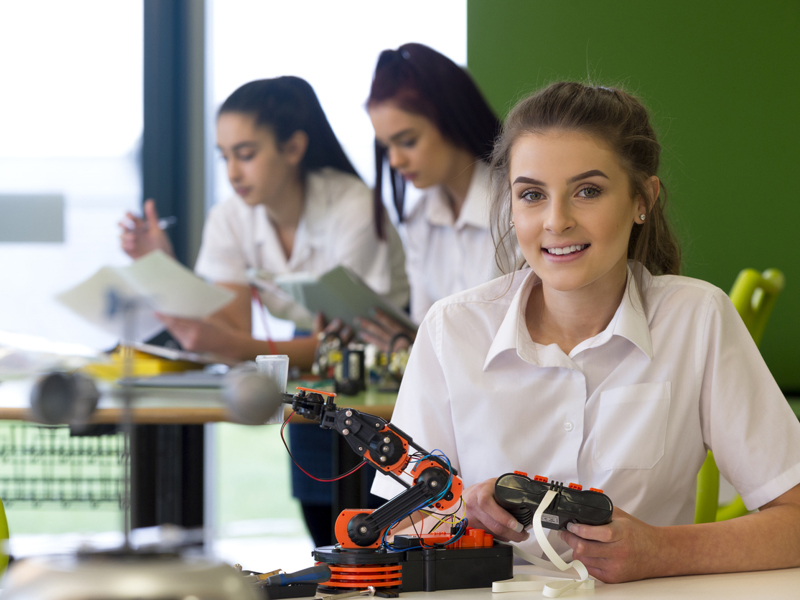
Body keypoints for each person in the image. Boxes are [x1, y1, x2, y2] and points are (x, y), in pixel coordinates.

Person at [372, 82, 800, 582]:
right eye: (532, 194)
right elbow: (389, 531)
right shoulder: (452, 329)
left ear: (643, 198)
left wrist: (661, 550)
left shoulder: (696, 317)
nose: (556, 221)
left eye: (588, 191)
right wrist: (461, 515)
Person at [120, 76, 409, 370]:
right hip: (310, 348)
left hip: (389, 353)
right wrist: (162, 265)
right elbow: (232, 328)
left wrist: (234, 346)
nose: (233, 173)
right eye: (224, 157)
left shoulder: (355, 207)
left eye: (246, 155)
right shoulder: (229, 218)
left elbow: (352, 338)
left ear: (294, 148)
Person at [352, 43, 502, 350]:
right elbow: (424, 330)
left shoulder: (518, 205)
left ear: (452, 119)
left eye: (407, 141)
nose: (394, 161)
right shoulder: (420, 220)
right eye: (386, 147)